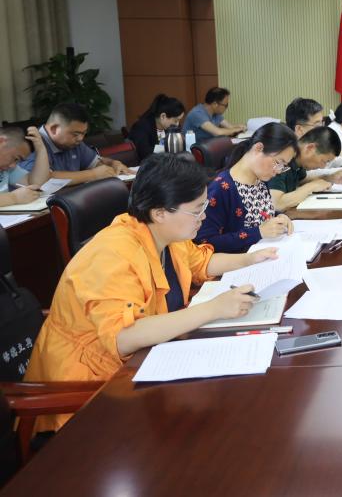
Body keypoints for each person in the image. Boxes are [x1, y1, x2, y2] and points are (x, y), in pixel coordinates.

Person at [25, 154, 278, 430]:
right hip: (89, 391)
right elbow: (124, 337)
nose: (204, 216)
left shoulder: (165, 233)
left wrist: (251, 259)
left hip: (145, 364)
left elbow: (200, 263)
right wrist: (212, 309)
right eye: (197, 210)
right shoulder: (112, 254)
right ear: (160, 212)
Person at [196, 122, 297, 253]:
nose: (278, 171)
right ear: (258, 148)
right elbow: (205, 243)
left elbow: (259, 214)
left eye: (283, 166)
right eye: (278, 162)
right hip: (240, 261)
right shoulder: (222, 188)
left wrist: (279, 217)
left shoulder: (260, 179)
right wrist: (258, 232)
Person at [18, 103, 131, 185]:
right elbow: (43, 179)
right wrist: (93, 175)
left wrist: (112, 164)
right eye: (75, 134)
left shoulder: (73, 143)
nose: (80, 138)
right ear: (54, 129)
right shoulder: (32, 143)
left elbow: (95, 163)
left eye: (84, 133)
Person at [268, 127, 342, 210]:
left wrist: (331, 178)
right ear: (310, 148)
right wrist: (312, 186)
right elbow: (277, 204)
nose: (323, 166)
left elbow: (302, 180)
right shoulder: (282, 158)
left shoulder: (299, 161)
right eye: (324, 161)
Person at [0, 126, 50, 206]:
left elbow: (36, 184)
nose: (13, 166)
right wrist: (14, 197)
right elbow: (15, 197)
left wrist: (41, 148)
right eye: (15, 158)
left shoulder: (8, 169)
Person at [127, 94, 185, 160]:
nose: (177, 124)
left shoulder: (171, 128)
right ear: (163, 116)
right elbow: (144, 153)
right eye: (176, 120)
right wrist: (167, 149)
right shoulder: (141, 127)